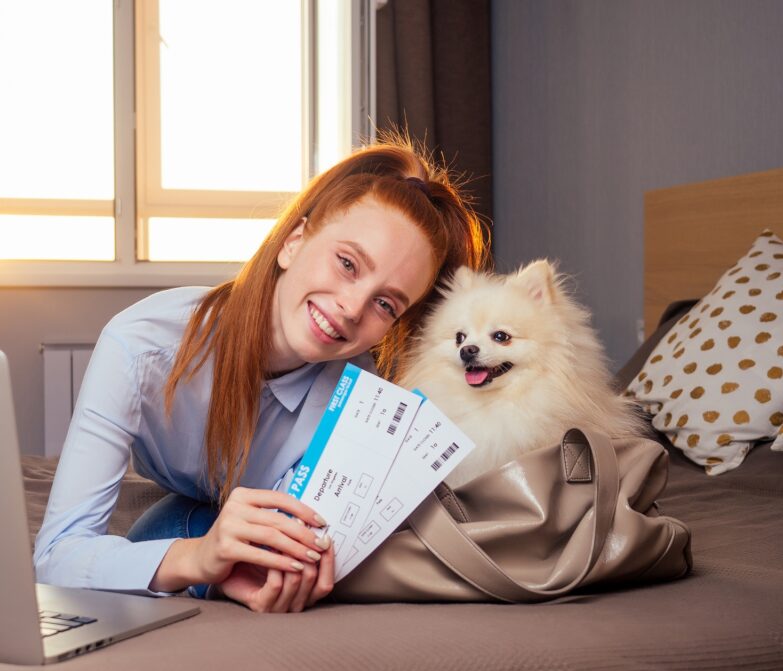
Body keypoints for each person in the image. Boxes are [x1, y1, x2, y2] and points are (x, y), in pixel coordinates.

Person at [33, 135, 489, 613]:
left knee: (169, 529)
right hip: (183, 496)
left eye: (386, 304)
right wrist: (198, 557)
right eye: (347, 263)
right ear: (294, 242)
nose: (353, 308)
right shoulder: (141, 345)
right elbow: (56, 555)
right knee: (162, 530)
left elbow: (295, 545)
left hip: (211, 513)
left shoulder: (356, 399)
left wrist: (259, 566)